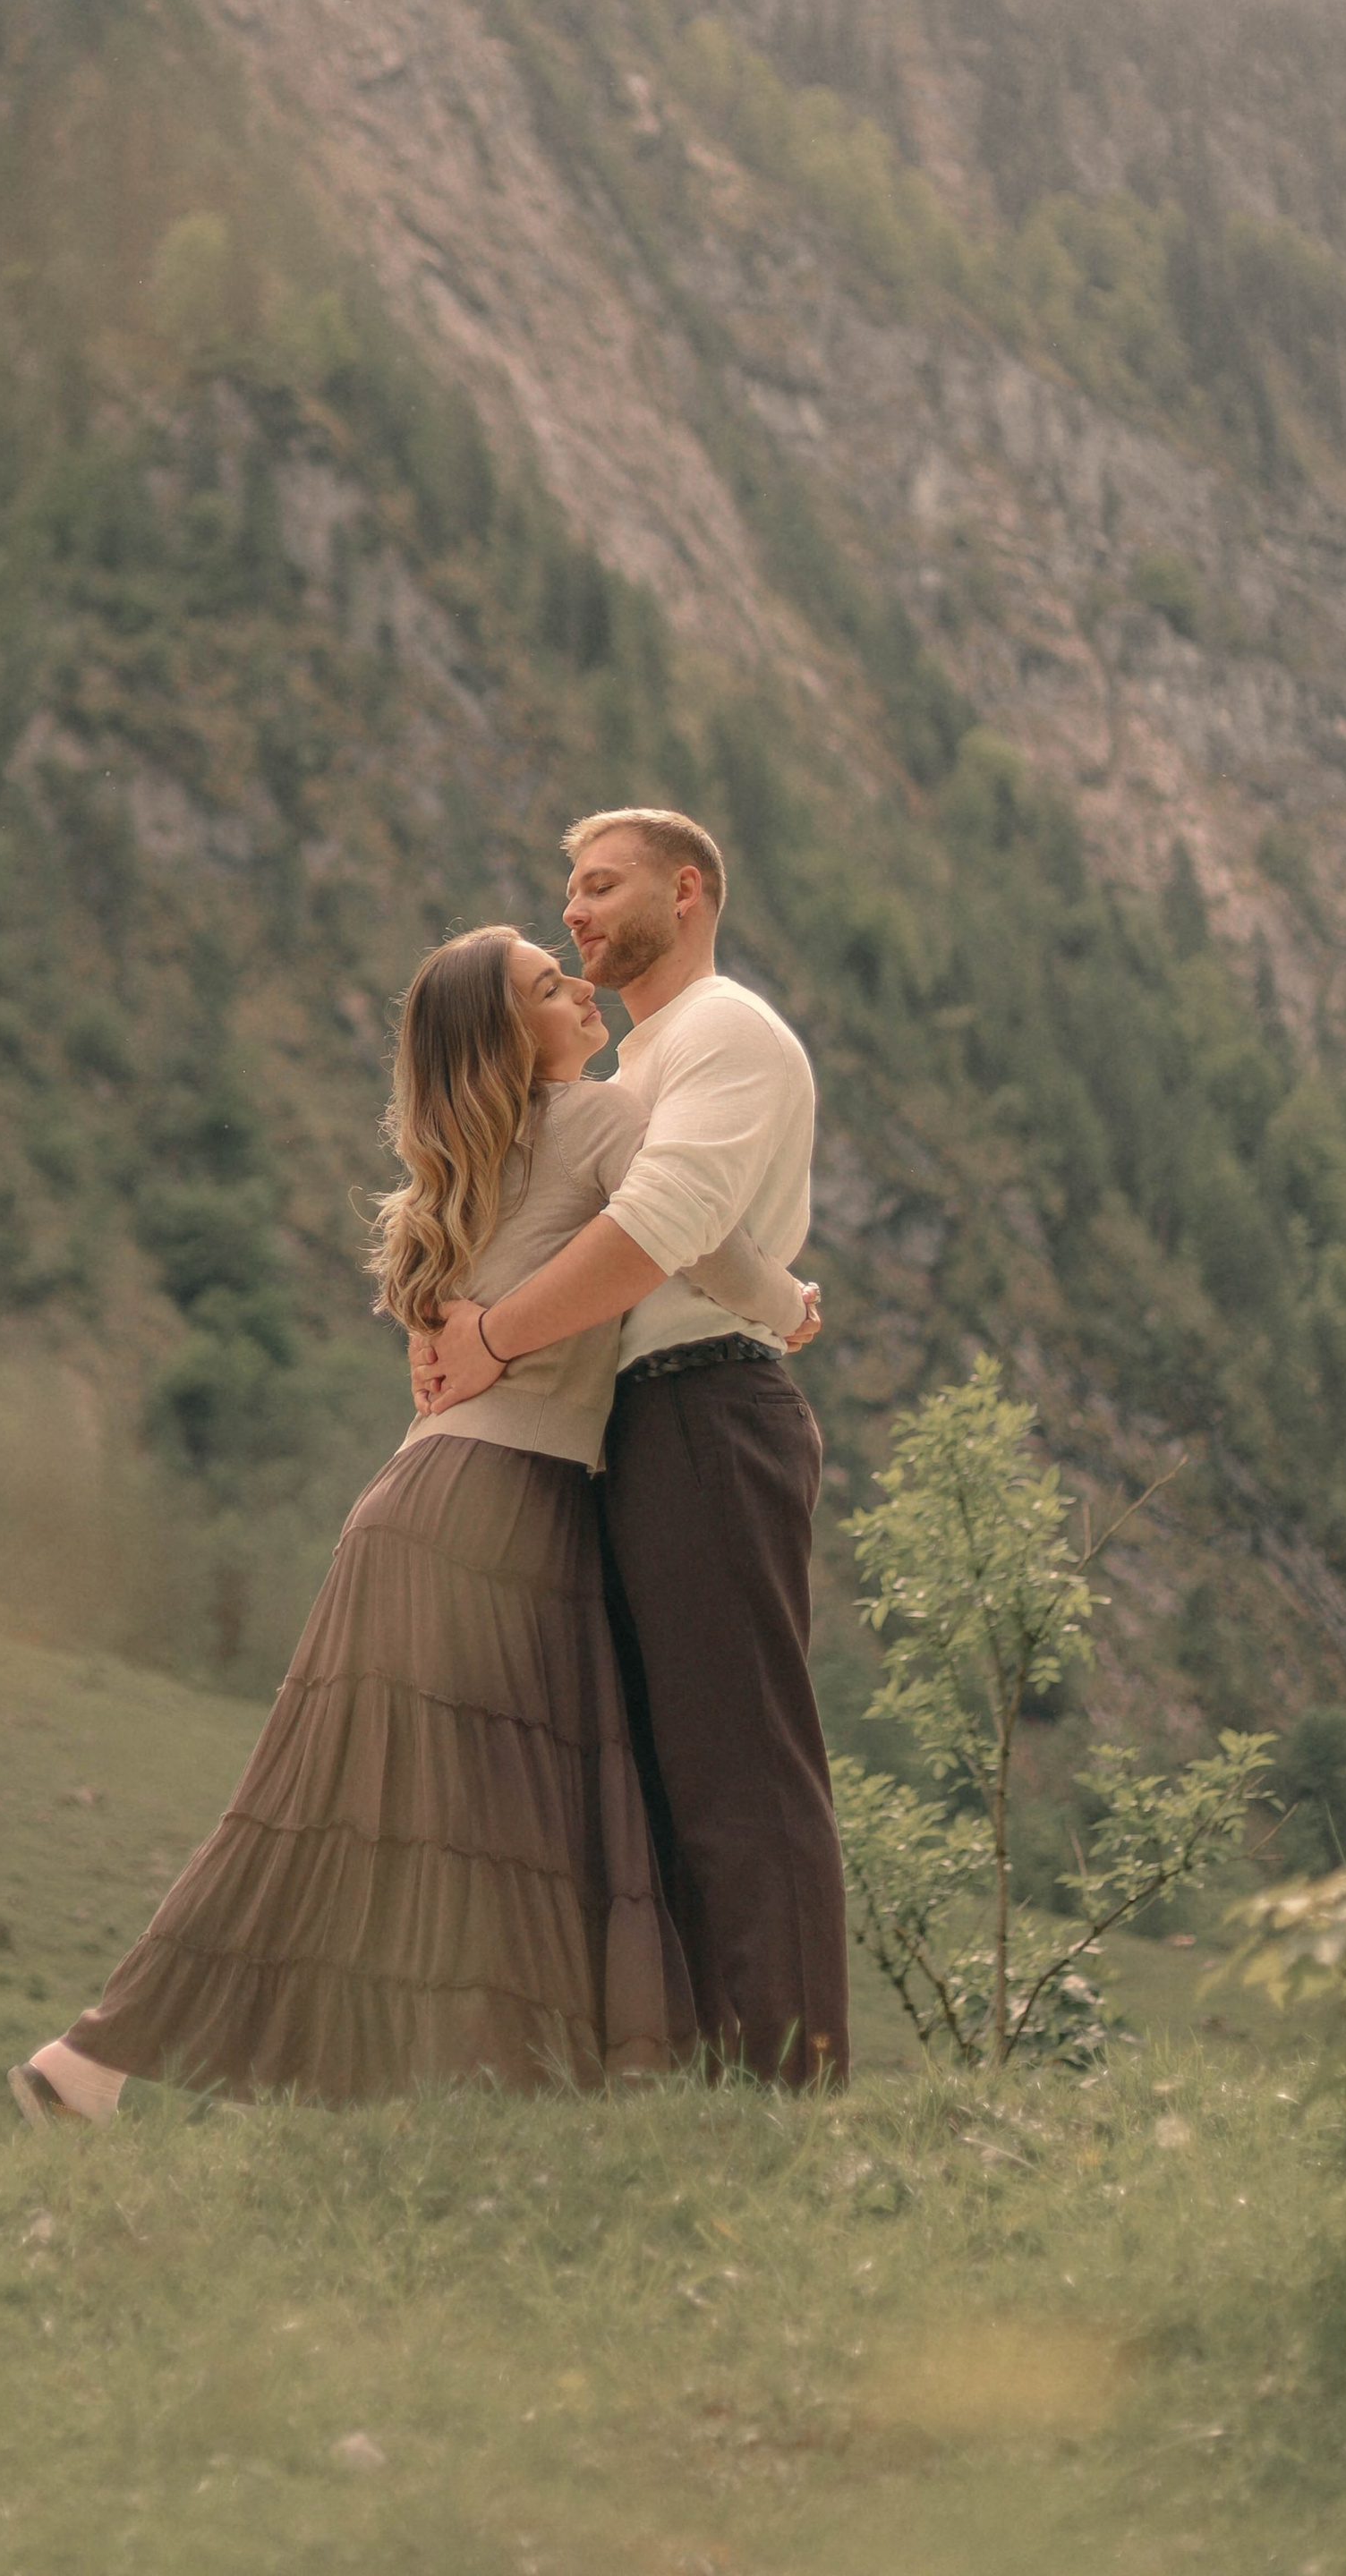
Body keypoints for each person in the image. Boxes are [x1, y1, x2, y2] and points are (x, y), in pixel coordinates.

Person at [9, 923, 815, 2125]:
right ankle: (551, 2091)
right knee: (523, 1822)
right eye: (551, 987)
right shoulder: (597, 1124)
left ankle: (111, 2067)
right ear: (510, 1036)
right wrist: (793, 1308)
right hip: (507, 1513)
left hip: (409, 1511)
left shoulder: (451, 1184)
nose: (581, 987)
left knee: (340, 1814)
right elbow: (703, 1242)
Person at [413, 811, 849, 2090]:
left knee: (744, 1770)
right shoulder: (638, 1066)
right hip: (649, 1416)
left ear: (689, 889)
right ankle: (713, 2082)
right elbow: (677, 1232)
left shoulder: (723, 1029)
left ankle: (791, 2091)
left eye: (601, 886)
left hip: (707, 1408)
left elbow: (661, 1224)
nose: (576, 913)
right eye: (570, 892)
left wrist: (490, 1338)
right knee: (668, 1779)